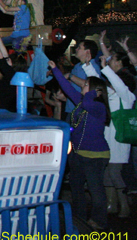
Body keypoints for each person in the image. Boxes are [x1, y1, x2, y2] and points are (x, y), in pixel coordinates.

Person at [49, 60, 110, 230]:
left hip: (95, 156)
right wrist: (56, 70)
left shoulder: (98, 107)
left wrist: (94, 92)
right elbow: (68, 89)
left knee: (95, 190)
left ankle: (99, 221)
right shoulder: (82, 103)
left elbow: (89, 103)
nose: (82, 86)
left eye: (85, 84)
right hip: (78, 154)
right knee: (76, 189)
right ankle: (79, 218)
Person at [97, 53, 135, 218]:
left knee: (114, 173)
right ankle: (112, 204)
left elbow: (119, 85)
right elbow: (93, 80)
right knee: (107, 173)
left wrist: (105, 68)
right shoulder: (110, 95)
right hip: (107, 140)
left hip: (119, 142)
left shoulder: (127, 96)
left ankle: (124, 204)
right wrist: (89, 66)